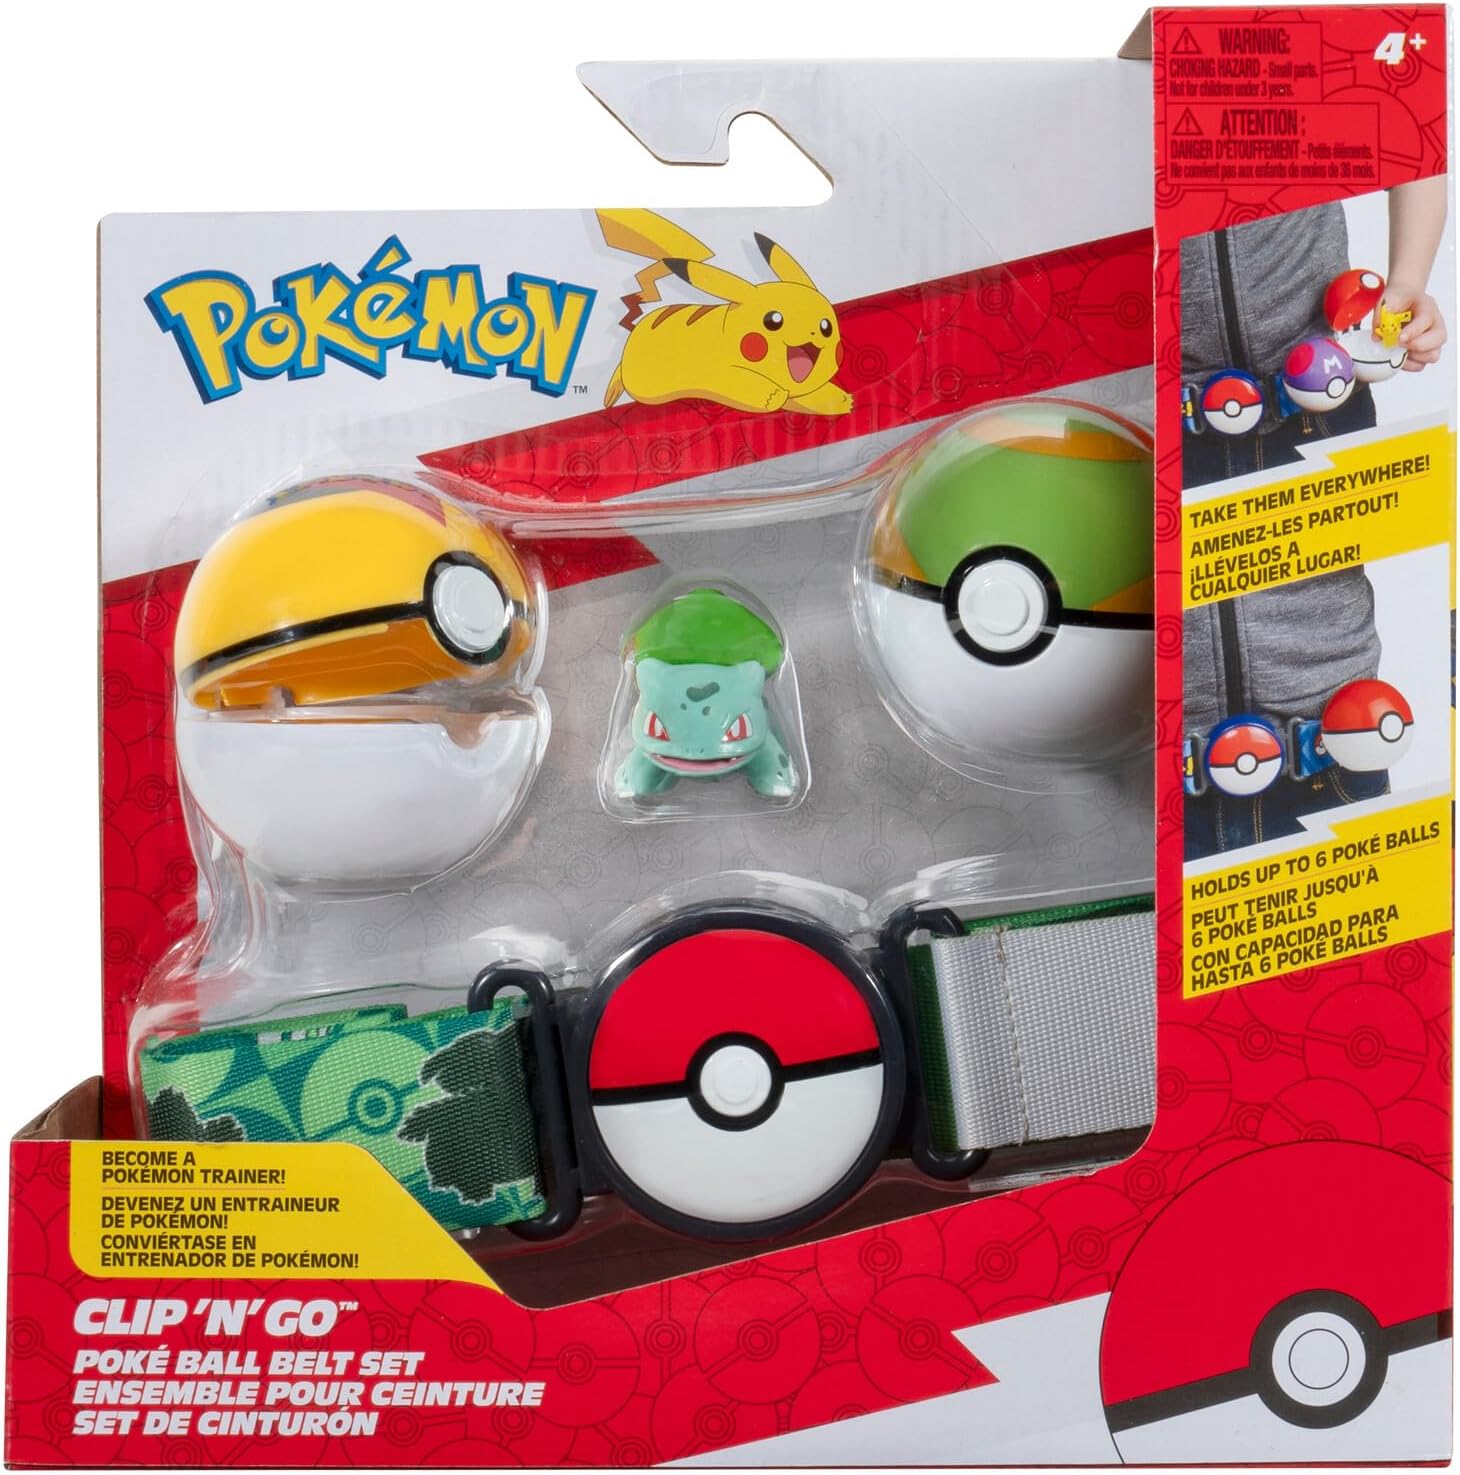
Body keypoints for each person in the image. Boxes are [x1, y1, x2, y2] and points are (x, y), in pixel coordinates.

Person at [1180, 181, 1447, 859]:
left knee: (1316, 616)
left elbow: (1408, 135)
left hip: (1315, 393)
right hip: (1164, 408)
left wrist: (1407, 283)